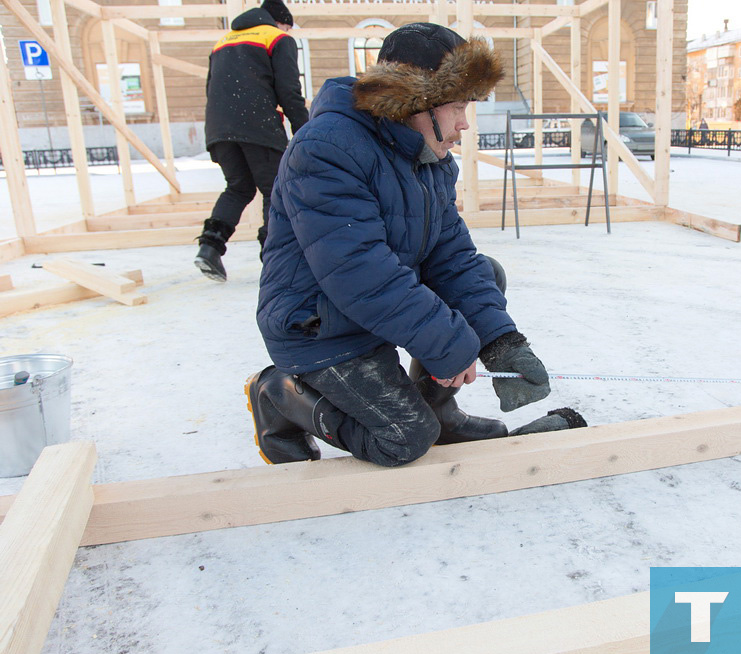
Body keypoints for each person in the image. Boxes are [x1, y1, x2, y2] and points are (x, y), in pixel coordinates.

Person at [244, 23, 586, 467]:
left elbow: (453, 257)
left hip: (375, 311)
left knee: (486, 272)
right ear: (417, 102)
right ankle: (279, 395)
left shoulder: (426, 156)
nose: (464, 123)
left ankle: (440, 412)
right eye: (458, 106)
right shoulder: (327, 148)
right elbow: (361, 274)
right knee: (404, 439)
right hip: (322, 327)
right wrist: (449, 346)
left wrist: (501, 342)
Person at [195, 0, 309, 282]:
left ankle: (209, 247)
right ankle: (274, 258)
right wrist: (305, 132)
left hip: (219, 129)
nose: (288, 31)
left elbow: (211, 87)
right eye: (287, 26)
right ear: (280, 22)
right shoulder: (276, 38)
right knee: (276, 190)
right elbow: (289, 90)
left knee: (238, 187)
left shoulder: (224, 40)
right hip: (257, 126)